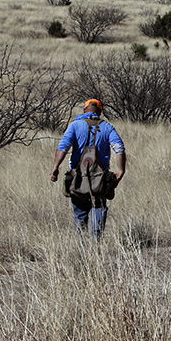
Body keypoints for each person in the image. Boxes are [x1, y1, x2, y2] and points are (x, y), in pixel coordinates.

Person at [50, 99, 125, 238]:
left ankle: (81, 249)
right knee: (99, 210)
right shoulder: (107, 127)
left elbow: (63, 147)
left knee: (79, 216)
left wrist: (56, 167)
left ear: (85, 110)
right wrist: (121, 170)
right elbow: (119, 148)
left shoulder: (74, 126)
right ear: (100, 112)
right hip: (100, 181)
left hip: (78, 179)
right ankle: (95, 247)